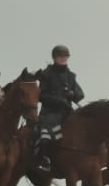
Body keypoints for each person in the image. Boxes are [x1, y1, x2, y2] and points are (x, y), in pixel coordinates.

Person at [33, 45, 83, 173]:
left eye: (65, 56)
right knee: (46, 136)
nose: (63, 58)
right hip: (50, 113)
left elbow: (81, 94)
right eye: (60, 56)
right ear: (54, 58)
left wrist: (73, 94)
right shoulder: (46, 74)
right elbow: (41, 96)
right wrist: (59, 101)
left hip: (67, 112)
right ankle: (44, 159)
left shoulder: (71, 76)